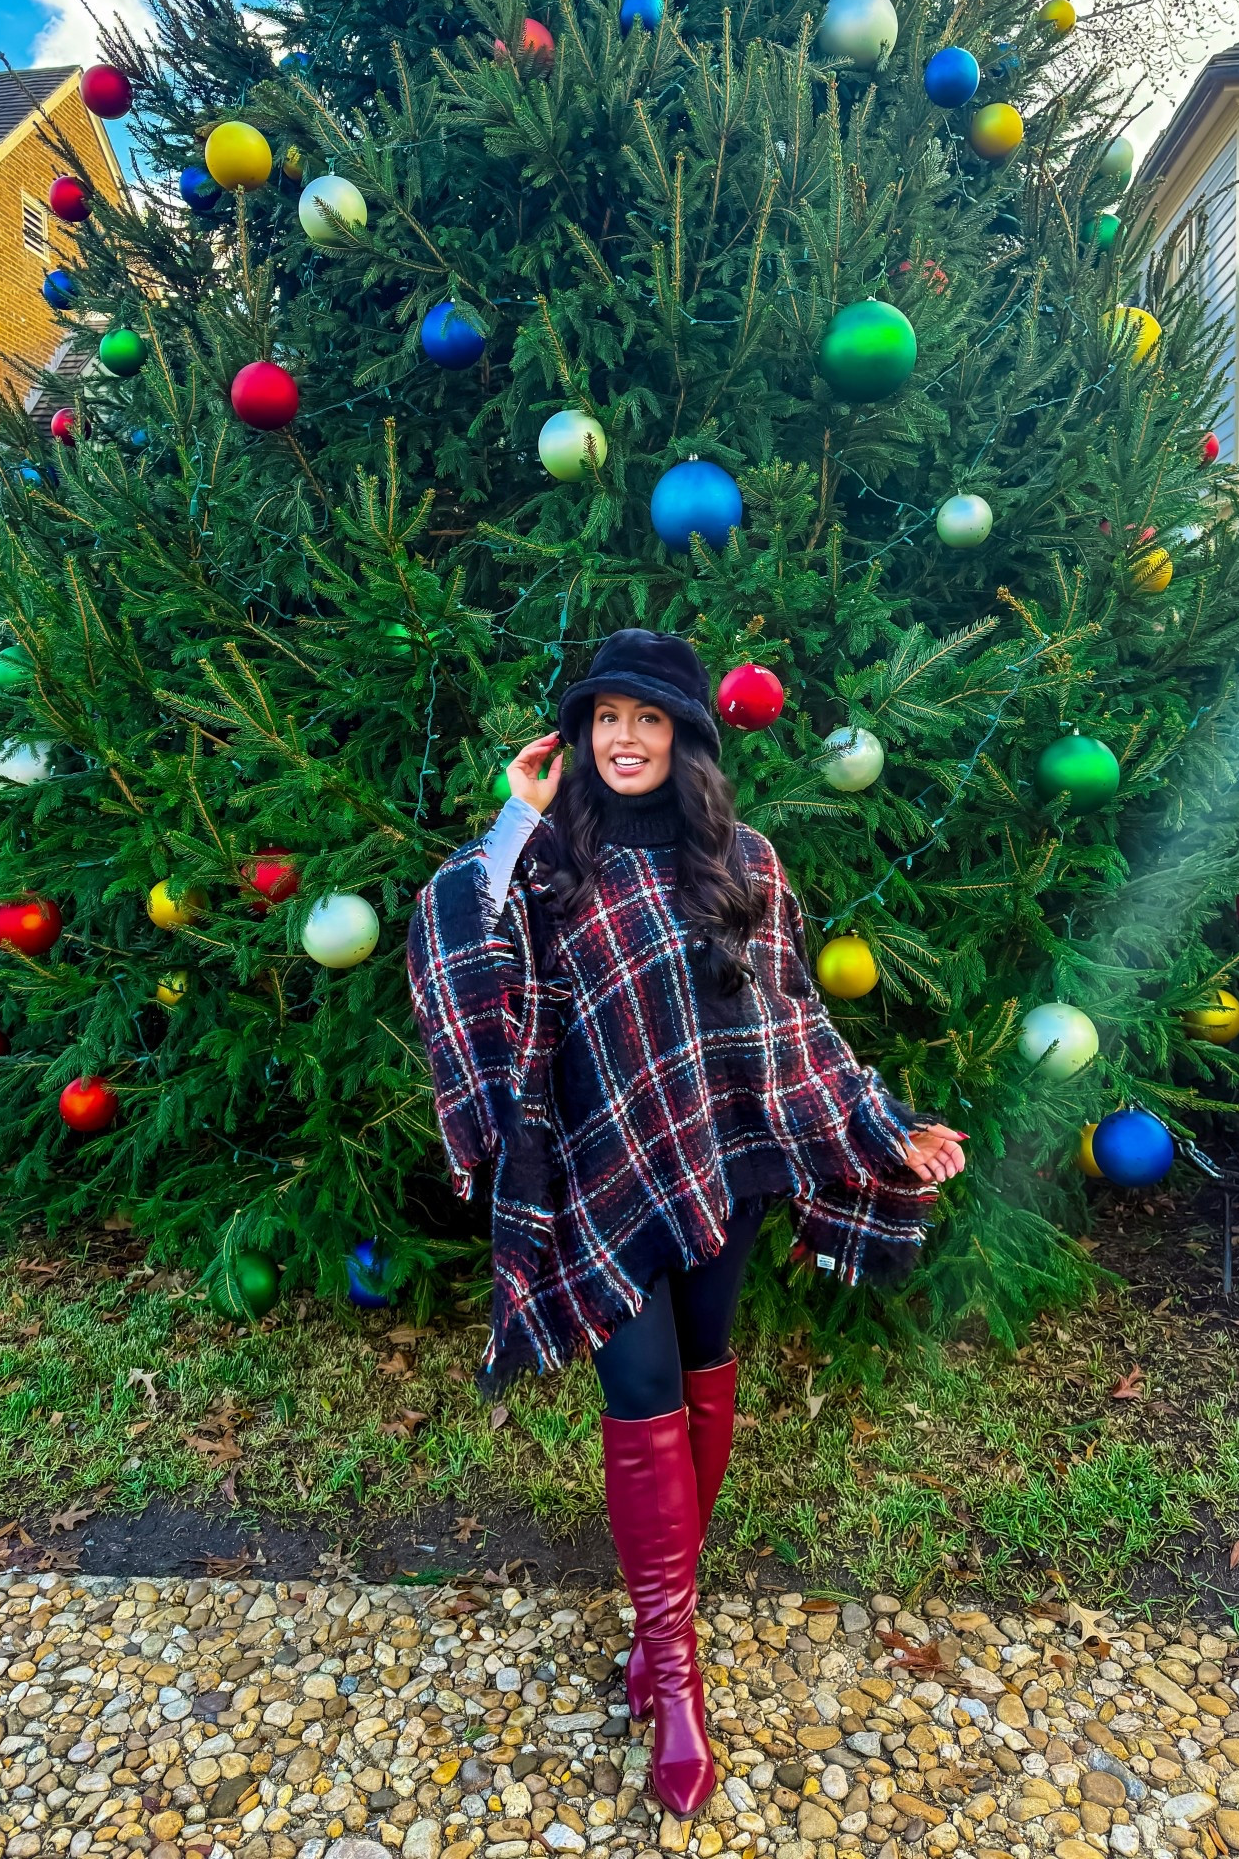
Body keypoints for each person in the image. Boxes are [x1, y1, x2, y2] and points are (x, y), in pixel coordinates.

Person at [407, 630, 965, 1820]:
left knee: (705, 1369)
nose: (624, 738)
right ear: (580, 734)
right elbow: (453, 933)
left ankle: (662, 1637)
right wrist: (512, 816)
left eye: (648, 718)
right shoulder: (546, 860)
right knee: (642, 1391)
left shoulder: (742, 857)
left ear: (685, 737)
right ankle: (675, 1680)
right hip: (598, 1173)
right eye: (605, 716)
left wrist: (884, 1121)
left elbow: (795, 1016)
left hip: (728, 1157)